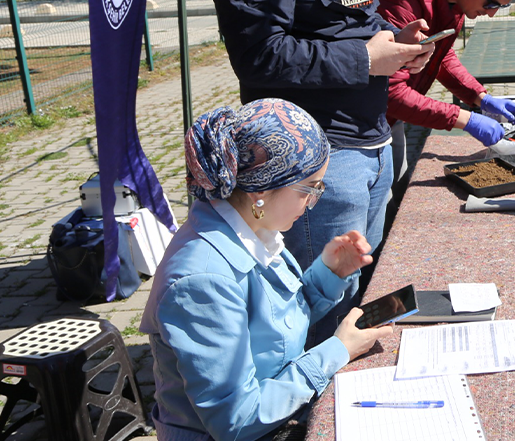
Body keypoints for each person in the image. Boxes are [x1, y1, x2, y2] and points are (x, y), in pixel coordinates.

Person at [203, 0, 432, 347]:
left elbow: (354, 14)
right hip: (317, 160)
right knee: (314, 313)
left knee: (353, 296)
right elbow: (258, 54)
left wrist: (393, 40)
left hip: (373, 144)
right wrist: (364, 58)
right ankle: (304, 421)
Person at [140, 99, 392, 441]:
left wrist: (330, 272)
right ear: (261, 190)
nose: (312, 202)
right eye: (309, 189)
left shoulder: (248, 226)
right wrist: (336, 351)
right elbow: (236, 419)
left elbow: (274, 324)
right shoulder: (202, 282)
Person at [370, 0, 515, 188]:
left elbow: (440, 55)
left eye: (500, 7)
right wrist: (465, 119)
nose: (491, 14)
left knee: (396, 191)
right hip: (352, 122)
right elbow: (389, 91)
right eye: (491, 3)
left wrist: (480, 97)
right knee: (377, 207)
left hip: (385, 118)